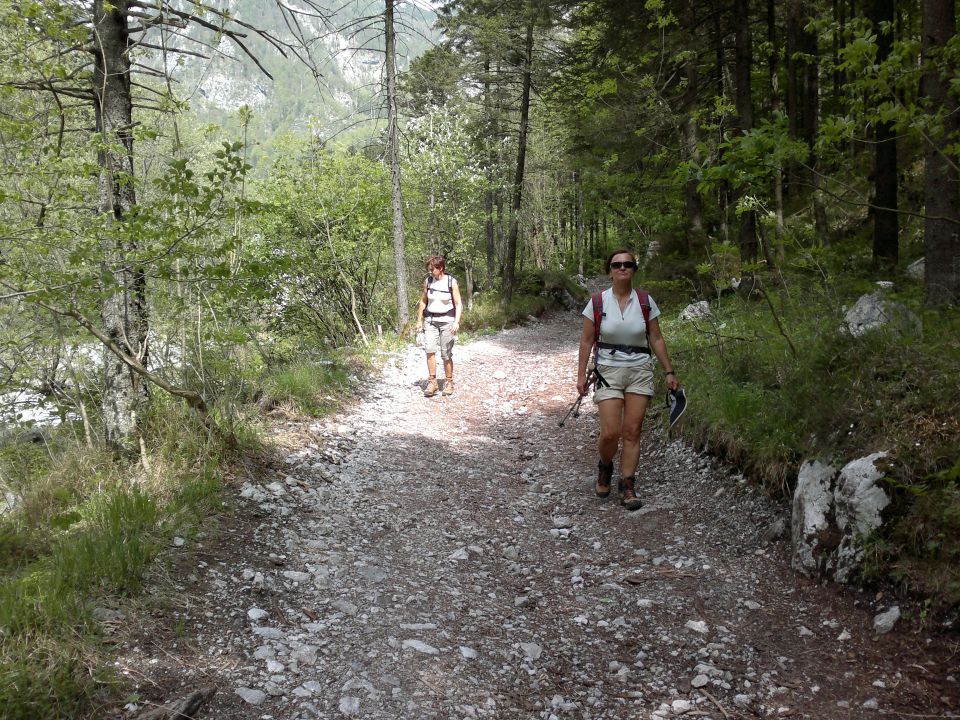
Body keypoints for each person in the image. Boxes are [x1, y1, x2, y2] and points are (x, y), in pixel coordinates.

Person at [576, 249, 680, 510]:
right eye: (617, 264)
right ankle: (605, 465)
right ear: (609, 270)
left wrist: (668, 371)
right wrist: (580, 375)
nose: (622, 268)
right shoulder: (598, 302)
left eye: (627, 264)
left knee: (632, 431)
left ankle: (627, 484)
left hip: (640, 370)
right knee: (611, 432)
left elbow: (656, 337)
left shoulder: (645, 301)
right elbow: (587, 340)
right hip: (607, 371)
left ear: (634, 269)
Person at [415, 255, 463, 397]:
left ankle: (448, 382)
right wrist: (419, 320)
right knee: (429, 350)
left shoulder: (451, 282)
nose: (430, 272)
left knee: (445, 353)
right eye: (429, 269)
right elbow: (423, 301)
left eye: (432, 269)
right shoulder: (428, 281)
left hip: (447, 321)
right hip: (430, 320)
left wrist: (456, 321)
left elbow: (458, 303)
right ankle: (432, 382)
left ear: (440, 268)